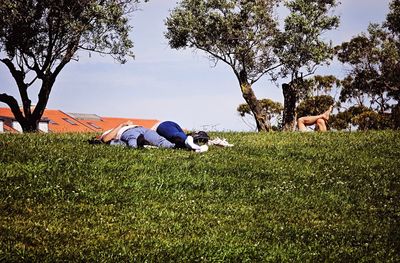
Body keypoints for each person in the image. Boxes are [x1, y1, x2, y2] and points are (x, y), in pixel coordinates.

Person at [100, 121, 175, 149]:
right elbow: (105, 139)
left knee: (160, 140)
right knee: (133, 141)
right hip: (127, 131)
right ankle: (140, 142)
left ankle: (176, 145)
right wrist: (121, 125)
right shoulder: (108, 132)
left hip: (142, 129)